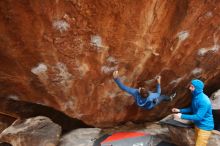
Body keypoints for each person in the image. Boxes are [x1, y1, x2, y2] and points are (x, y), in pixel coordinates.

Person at [172, 79, 214, 146]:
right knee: (196, 143)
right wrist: (180, 110)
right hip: (198, 125)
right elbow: (192, 108)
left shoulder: (204, 101)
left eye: (192, 87)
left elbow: (198, 117)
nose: (189, 88)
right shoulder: (196, 97)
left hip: (205, 127)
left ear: (197, 88)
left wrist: (181, 116)